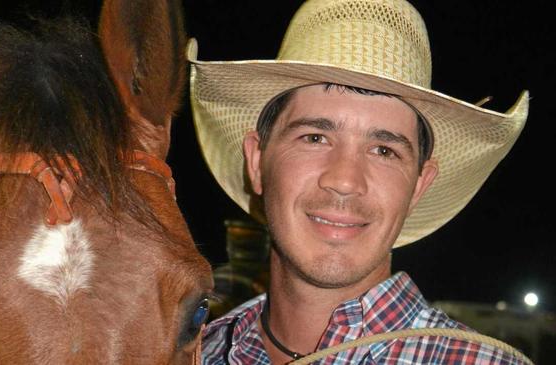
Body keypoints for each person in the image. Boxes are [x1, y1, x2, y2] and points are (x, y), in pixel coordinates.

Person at [188, 0, 530, 363]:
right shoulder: (191, 354)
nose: (345, 181)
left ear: (418, 186)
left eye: (384, 151)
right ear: (256, 161)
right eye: (315, 138)